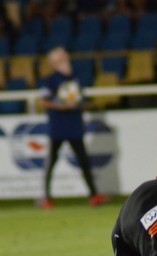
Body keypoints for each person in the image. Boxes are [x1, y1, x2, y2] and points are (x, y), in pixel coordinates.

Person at [36, 47, 110, 208]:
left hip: (74, 125)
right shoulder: (50, 80)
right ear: (55, 62)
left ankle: (94, 195)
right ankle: (46, 197)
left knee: (83, 161)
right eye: (62, 57)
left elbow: (80, 98)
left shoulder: (75, 78)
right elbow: (42, 101)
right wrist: (61, 106)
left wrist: (79, 104)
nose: (66, 58)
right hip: (58, 126)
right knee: (51, 161)